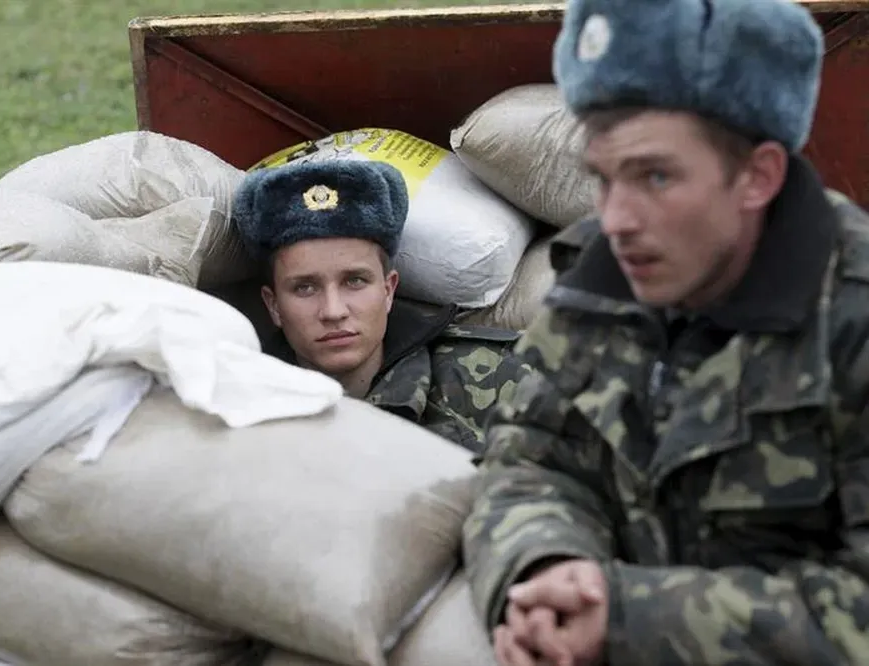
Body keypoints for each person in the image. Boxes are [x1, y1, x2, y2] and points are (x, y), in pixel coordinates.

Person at [462, 0, 869, 664]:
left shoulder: (850, 319)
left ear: (758, 176)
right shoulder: (599, 280)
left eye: (656, 176)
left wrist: (629, 619)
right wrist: (542, 570)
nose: (616, 219)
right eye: (602, 176)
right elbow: (532, 459)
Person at [232, 159, 523, 454]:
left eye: (355, 281)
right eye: (305, 288)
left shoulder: (495, 371)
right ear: (274, 306)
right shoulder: (241, 413)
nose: (333, 311)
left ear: (388, 291)